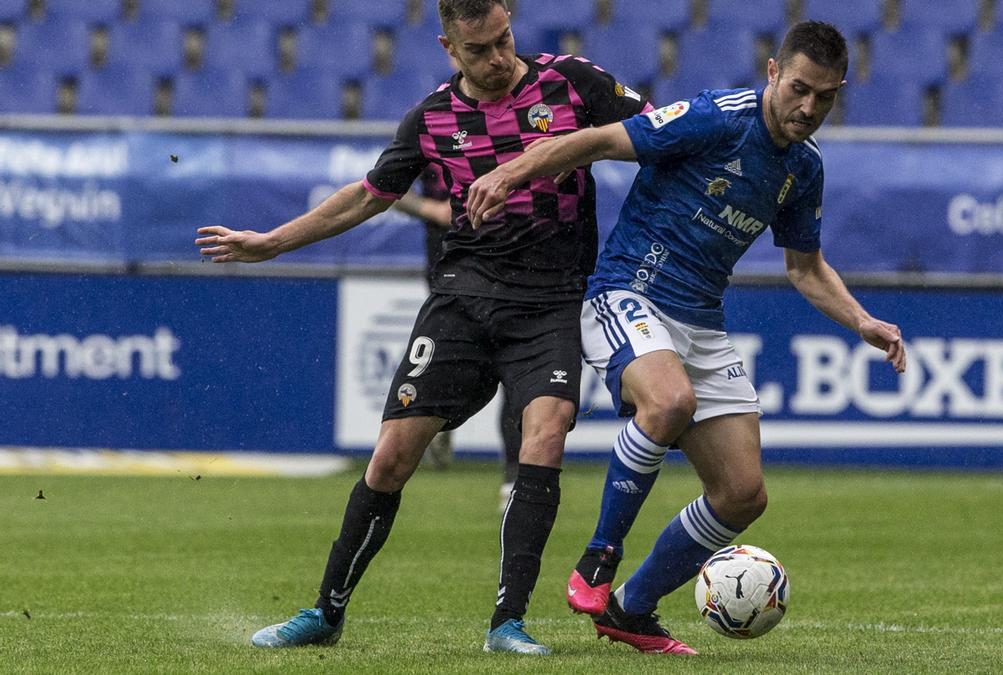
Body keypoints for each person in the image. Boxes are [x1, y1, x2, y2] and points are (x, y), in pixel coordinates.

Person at [195, 0, 650, 655]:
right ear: (447, 46)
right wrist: (272, 242)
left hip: (548, 300)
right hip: (462, 299)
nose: (496, 59)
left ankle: (507, 623)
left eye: (503, 41)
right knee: (391, 455)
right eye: (478, 50)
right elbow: (366, 194)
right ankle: (326, 610)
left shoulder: (574, 83)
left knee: (544, 433)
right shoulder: (432, 118)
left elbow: (662, 131)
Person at [467, 21, 907, 654]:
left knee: (742, 494)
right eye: (801, 90)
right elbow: (598, 140)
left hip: (699, 320)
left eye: (826, 97)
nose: (809, 108)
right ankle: (598, 558)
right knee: (669, 402)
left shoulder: (805, 168)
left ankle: (632, 609)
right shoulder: (716, 118)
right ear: (773, 74)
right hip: (628, 292)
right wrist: (511, 175)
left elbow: (805, 268)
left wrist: (861, 320)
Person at [396, 171, 521, 506]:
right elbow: (389, 190)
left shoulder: (510, 128)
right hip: (447, 272)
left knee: (514, 373)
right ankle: (442, 422)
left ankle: (513, 477)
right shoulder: (431, 124)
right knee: (459, 367)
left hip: (510, 269)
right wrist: (432, 209)